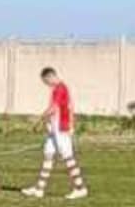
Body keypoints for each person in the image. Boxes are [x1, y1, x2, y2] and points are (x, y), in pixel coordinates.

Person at [23, 67, 89, 200]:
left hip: (61, 127)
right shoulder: (57, 89)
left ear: (50, 77)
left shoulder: (60, 88)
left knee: (68, 157)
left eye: (46, 81)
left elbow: (54, 108)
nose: (46, 85)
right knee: (48, 155)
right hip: (55, 129)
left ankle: (80, 188)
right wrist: (47, 123)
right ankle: (39, 188)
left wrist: (38, 119)